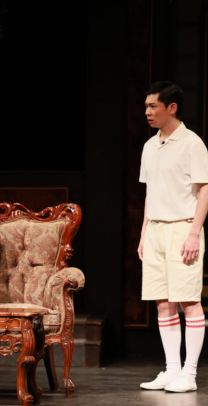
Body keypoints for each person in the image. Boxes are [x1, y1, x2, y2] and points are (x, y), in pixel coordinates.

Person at [138, 81, 208, 393]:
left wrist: (193, 233)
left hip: (183, 227)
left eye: (153, 106)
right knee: (163, 303)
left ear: (172, 107)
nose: (147, 112)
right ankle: (172, 370)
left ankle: (189, 375)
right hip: (155, 229)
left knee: (189, 301)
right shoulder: (150, 146)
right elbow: (150, 193)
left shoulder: (192, 143)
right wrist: (144, 232)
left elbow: (204, 190)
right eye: (146, 106)